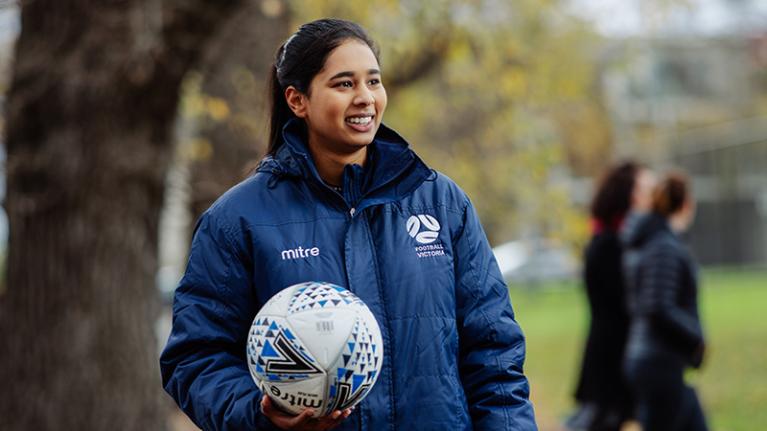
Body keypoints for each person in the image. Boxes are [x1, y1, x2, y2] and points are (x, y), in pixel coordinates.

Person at [160, 18, 537, 431]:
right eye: (344, 84)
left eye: (373, 82)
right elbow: (195, 358)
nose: (365, 98)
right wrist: (261, 415)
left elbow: (495, 355)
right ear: (297, 100)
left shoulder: (442, 204)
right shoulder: (237, 220)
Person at [566, 162, 655, 431]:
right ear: (627, 194)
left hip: (617, 363)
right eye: (645, 190)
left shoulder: (616, 240)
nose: (651, 197)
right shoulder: (609, 243)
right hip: (612, 366)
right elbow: (625, 304)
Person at [621, 172, 708, 431]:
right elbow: (658, 306)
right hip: (657, 362)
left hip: (658, 360)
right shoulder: (664, 246)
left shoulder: (658, 242)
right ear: (685, 204)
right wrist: (696, 338)